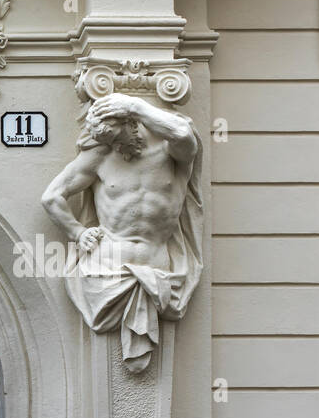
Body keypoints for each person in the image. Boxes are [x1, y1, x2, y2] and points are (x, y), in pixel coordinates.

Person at [40, 91, 203, 373]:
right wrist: (77, 232)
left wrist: (135, 105)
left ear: (131, 122)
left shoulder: (169, 149)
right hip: (106, 267)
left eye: (117, 138)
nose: (115, 147)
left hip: (159, 267)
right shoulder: (101, 155)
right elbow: (51, 197)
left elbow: (183, 134)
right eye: (108, 142)